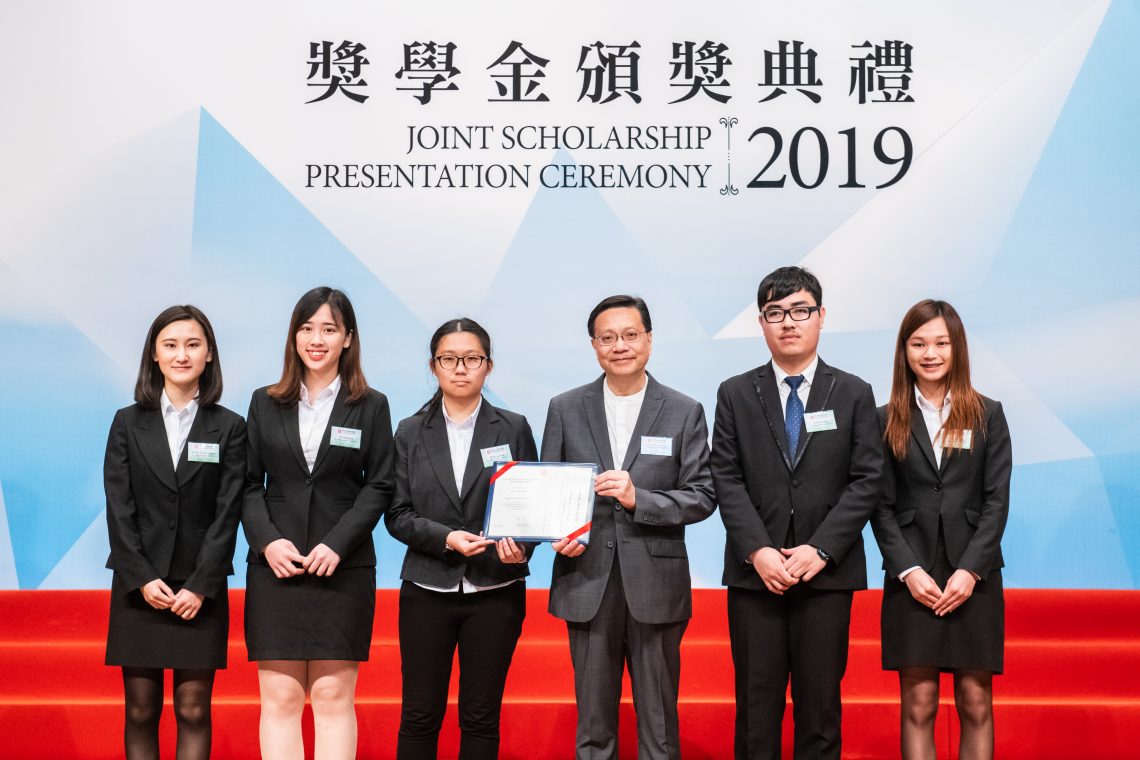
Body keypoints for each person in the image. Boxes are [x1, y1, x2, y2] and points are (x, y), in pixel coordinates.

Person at [712, 266, 883, 760]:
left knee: (821, 710)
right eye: (775, 313)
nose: (789, 322)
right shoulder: (736, 393)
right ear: (761, 322)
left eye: (800, 311)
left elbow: (867, 479)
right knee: (755, 710)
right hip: (755, 576)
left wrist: (822, 548)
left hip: (826, 576)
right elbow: (726, 477)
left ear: (821, 317)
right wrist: (758, 550)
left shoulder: (853, 391)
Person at [544, 294, 716, 760]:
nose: (620, 345)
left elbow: (702, 496)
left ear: (649, 340)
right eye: (608, 337)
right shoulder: (565, 407)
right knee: (593, 726)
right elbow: (550, 489)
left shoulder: (684, 410)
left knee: (659, 728)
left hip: (655, 583)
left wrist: (640, 498)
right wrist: (559, 533)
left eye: (630, 335)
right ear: (594, 345)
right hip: (586, 578)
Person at [241, 286, 395, 760]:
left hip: (341, 570)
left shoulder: (370, 404)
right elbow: (247, 484)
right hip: (276, 569)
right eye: (307, 328)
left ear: (348, 338)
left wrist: (338, 544)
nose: (317, 339)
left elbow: (381, 484)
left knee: (332, 696)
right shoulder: (265, 402)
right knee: (282, 698)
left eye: (329, 329)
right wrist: (267, 543)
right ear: (294, 336)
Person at [384, 318, 538, 760]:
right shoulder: (410, 432)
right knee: (419, 713)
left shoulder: (512, 427)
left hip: (496, 589)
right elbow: (397, 514)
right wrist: (447, 537)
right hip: (427, 589)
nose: (460, 368)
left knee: (481, 714)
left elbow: (529, 506)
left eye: (472, 359)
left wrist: (521, 547)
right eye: (448, 359)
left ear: (489, 366)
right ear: (433, 367)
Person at [871, 300, 1012, 760]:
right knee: (918, 702)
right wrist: (907, 570)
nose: (929, 353)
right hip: (913, 577)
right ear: (904, 350)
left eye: (940, 343)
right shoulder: (884, 417)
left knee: (975, 701)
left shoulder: (988, 413)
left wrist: (971, 571)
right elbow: (880, 505)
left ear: (957, 349)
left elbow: (996, 501)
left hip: (975, 576)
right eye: (918, 343)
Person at [104, 304, 246, 760]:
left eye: (192, 344)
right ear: (154, 355)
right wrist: (141, 577)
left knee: (193, 710)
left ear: (209, 355)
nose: (181, 354)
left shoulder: (230, 427)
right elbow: (119, 508)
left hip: (198, 591)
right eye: (170, 345)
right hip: (139, 585)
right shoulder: (128, 421)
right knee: (141, 711)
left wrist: (202, 587)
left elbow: (228, 514)